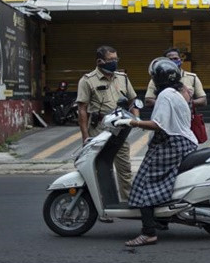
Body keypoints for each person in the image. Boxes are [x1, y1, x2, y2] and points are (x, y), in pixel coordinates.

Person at [113, 57, 198, 247]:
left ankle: (148, 232)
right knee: (160, 182)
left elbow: (157, 125)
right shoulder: (178, 93)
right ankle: (161, 220)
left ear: (158, 79)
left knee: (143, 184)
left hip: (171, 143)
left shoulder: (165, 95)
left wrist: (131, 122)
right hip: (183, 141)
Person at [76, 45, 140, 205]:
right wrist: (85, 136)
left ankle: (129, 202)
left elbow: (133, 100)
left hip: (120, 128)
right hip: (99, 128)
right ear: (100, 61)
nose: (115, 62)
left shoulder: (122, 78)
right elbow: (82, 109)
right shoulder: (87, 80)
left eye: (116, 59)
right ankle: (103, 205)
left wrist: (136, 119)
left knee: (124, 167)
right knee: (101, 168)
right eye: (111, 60)